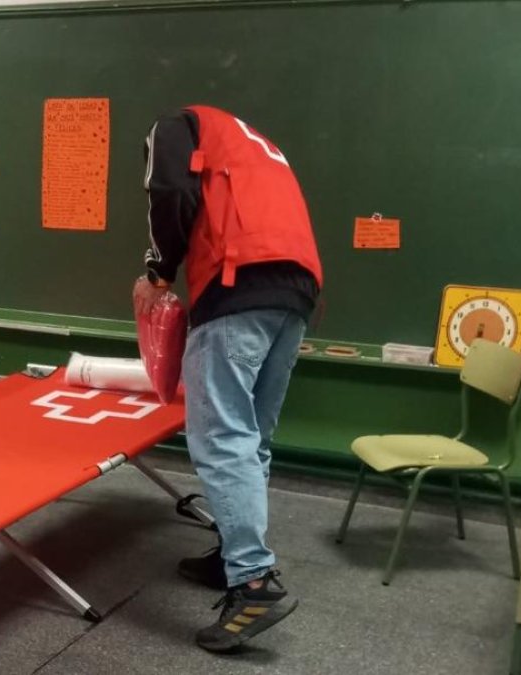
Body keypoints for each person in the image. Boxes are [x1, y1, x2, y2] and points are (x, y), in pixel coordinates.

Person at [134, 105, 323, 652]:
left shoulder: (175, 123)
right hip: (294, 293)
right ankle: (232, 555)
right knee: (250, 439)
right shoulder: (253, 144)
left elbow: (169, 189)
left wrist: (158, 272)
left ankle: (254, 581)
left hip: (239, 283)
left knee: (220, 439)